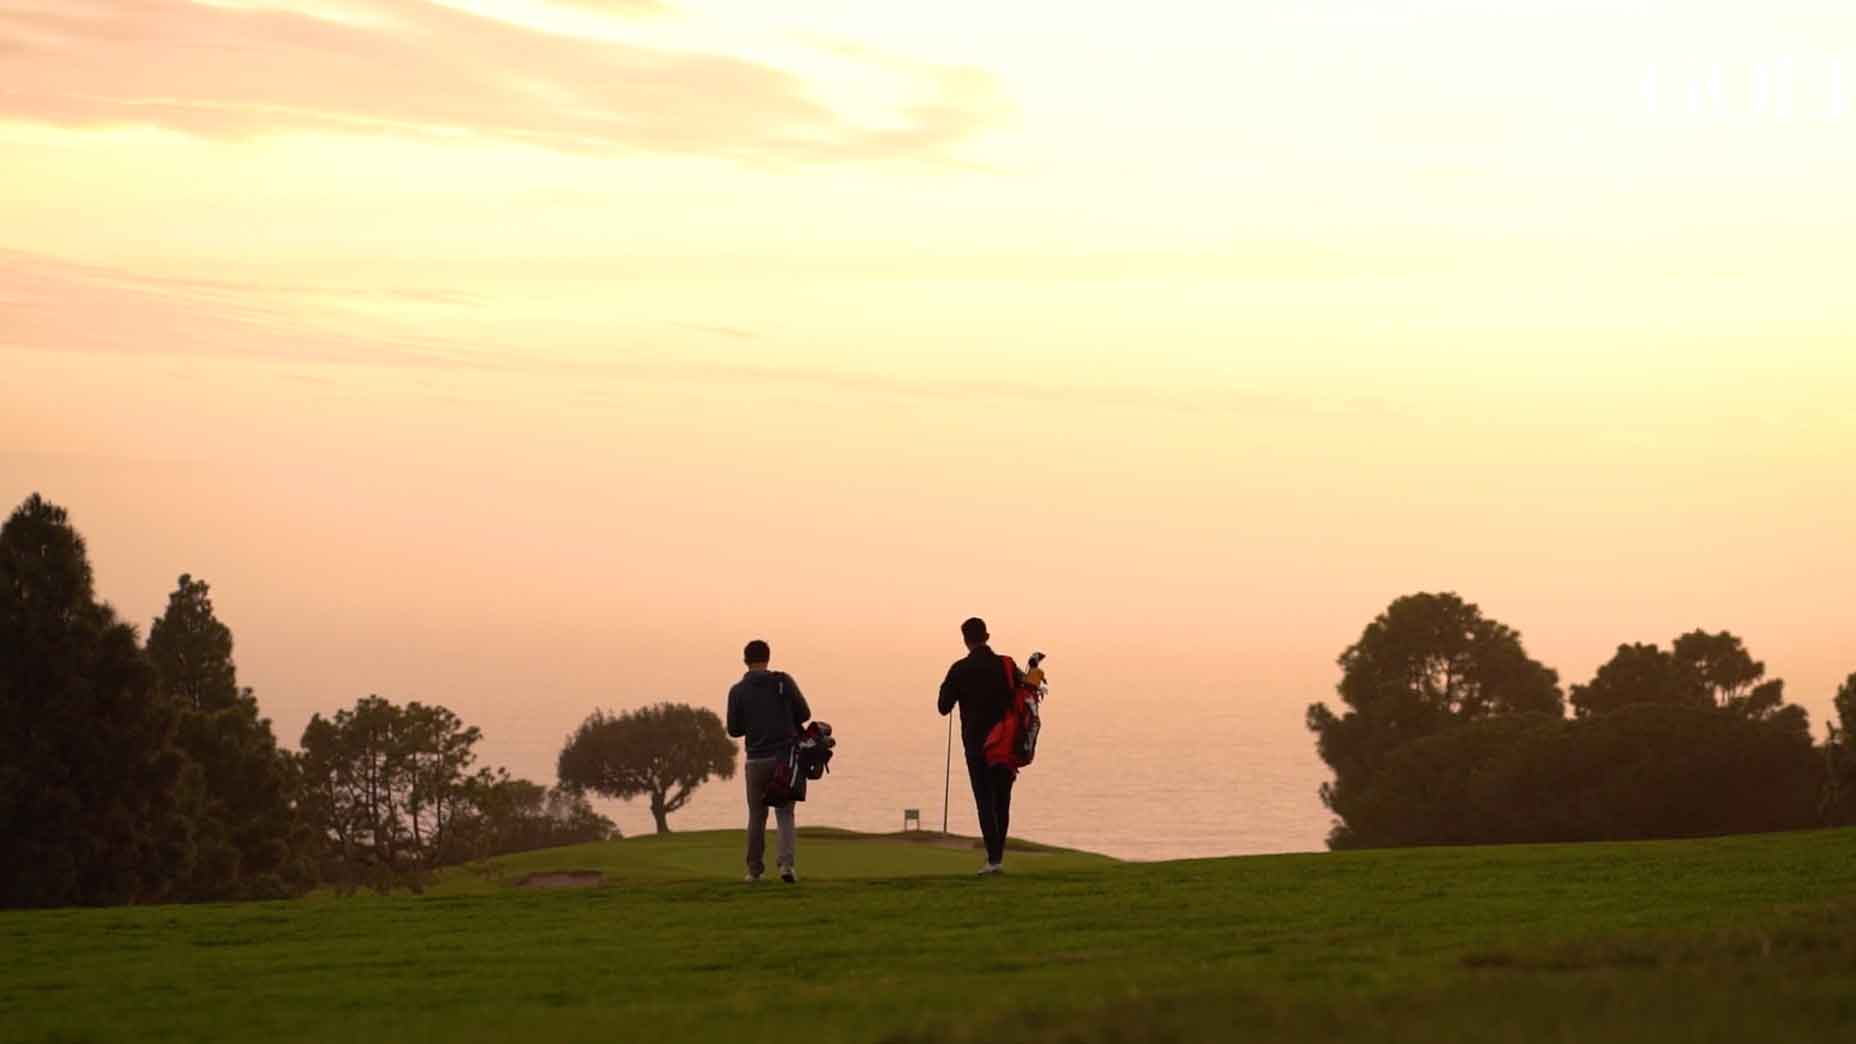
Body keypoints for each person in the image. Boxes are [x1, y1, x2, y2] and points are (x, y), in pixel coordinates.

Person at [937, 617, 1023, 875]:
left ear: (965, 640)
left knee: (985, 800)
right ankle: (998, 857)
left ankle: (993, 859)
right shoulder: (1006, 665)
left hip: (977, 746)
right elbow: (1023, 690)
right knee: (1002, 800)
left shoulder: (959, 669)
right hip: (1007, 742)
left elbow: (943, 707)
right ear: (987, 635)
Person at [726, 639, 810, 883]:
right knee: (784, 813)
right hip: (783, 759)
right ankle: (786, 866)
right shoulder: (783, 681)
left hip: (755, 761)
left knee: (756, 815)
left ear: (745, 660)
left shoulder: (737, 691)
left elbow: (734, 729)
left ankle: (754, 871)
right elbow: (805, 713)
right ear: (768, 657)